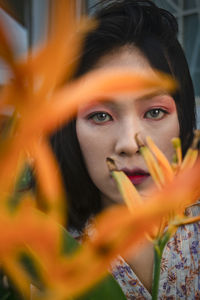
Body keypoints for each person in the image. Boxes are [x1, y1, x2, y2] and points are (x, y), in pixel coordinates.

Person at [51, 0, 200, 298]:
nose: (130, 144)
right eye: (101, 116)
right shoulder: (45, 253)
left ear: (182, 121)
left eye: (155, 112)